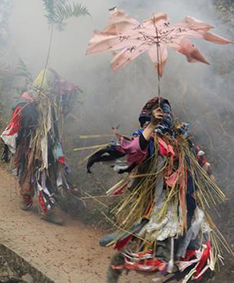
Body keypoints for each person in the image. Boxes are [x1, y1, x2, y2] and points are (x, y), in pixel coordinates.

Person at [87, 97, 226, 283]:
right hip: (164, 208)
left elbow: (199, 163)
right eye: (159, 110)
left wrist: (207, 175)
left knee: (200, 260)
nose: (164, 113)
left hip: (188, 207)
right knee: (160, 261)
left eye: (166, 110)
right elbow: (135, 151)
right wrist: (152, 125)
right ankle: (119, 263)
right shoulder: (148, 137)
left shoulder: (182, 140)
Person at [0, 69, 80, 224]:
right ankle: (47, 210)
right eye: (54, 83)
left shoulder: (36, 98)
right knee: (42, 175)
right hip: (37, 146)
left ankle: (27, 199)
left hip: (37, 145)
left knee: (30, 171)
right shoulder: (35, 101)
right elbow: (23, 123)